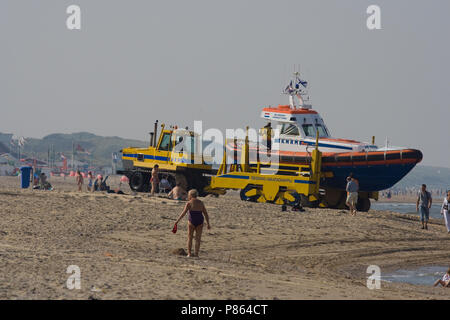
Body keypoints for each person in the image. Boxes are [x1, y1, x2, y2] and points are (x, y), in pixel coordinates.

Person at [174, 189, 211, 257]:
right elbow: (205, 213)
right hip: (200, 221)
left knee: (190, 237)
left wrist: (177, 221)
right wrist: (208, 224)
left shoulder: (189, 203)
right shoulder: (201, 203)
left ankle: (189, 253)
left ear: (190, 195)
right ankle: (196, 254)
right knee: (198, 238)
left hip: (192, 221)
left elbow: (184, 213)